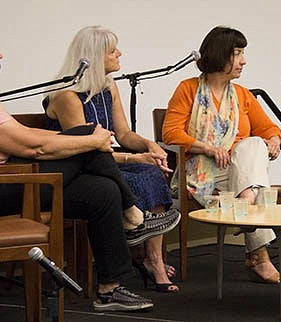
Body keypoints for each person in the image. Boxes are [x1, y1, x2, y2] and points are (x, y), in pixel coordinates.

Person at [0, 25, 178, 311]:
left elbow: (28, 136)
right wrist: (90, 140)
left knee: (103, 191)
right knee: (87, 140)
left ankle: (110, 290)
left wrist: (86, 138)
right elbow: (33, 148)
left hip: (0, 181)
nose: (0, 55)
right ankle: (133, 215)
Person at [44, 26, 180, 293]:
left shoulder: (108, 86)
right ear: (94, 57)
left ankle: (153, 257)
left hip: (106, 159)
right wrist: (135, 158)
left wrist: (150, 146)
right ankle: (139, 234)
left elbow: (124, 134)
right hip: (79, 168)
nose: (120, 53)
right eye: (112, 50)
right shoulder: (67, 96)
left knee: (151, 171)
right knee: (143, 171)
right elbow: (86, 151)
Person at [162, 26, 281, 284]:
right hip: (201, 172)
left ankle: (245, 201)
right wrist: (206, 147)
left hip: (236, 171)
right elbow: (170, 133)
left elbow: (269, 128)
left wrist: (273, 139)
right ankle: (259, 256)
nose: (244, 61)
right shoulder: (188, 89)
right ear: (220, 54)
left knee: (254, 145)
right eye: (238, 53)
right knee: (259, 186)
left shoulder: (243, 95)